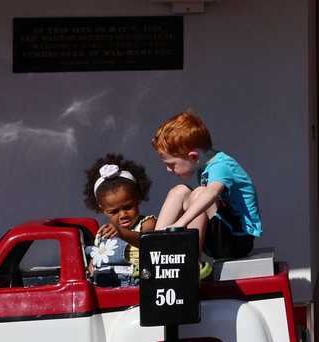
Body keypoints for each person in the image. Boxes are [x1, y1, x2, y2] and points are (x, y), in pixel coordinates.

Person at [151, 110, 262, 268]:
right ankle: (154, 254)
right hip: (218, 235)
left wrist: (180, 223)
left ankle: (191, 264)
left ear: (193, 157)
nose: (169, 170)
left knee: (200, 193)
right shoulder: (203, 166)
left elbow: (211, 193)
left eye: (171, 164)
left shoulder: (221, 165)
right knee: (179, 191)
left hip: (237, 241)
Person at [83, 154, 154, 285]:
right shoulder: (104, 233)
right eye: (114, 211)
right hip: (108, 289)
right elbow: (98, 259)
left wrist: (121, 232)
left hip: (137, 285)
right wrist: (91, 268)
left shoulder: (147, 223)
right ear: (102, 209)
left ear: (137, 198)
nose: (123, 215)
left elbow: (148, 242)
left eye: (128, 207)